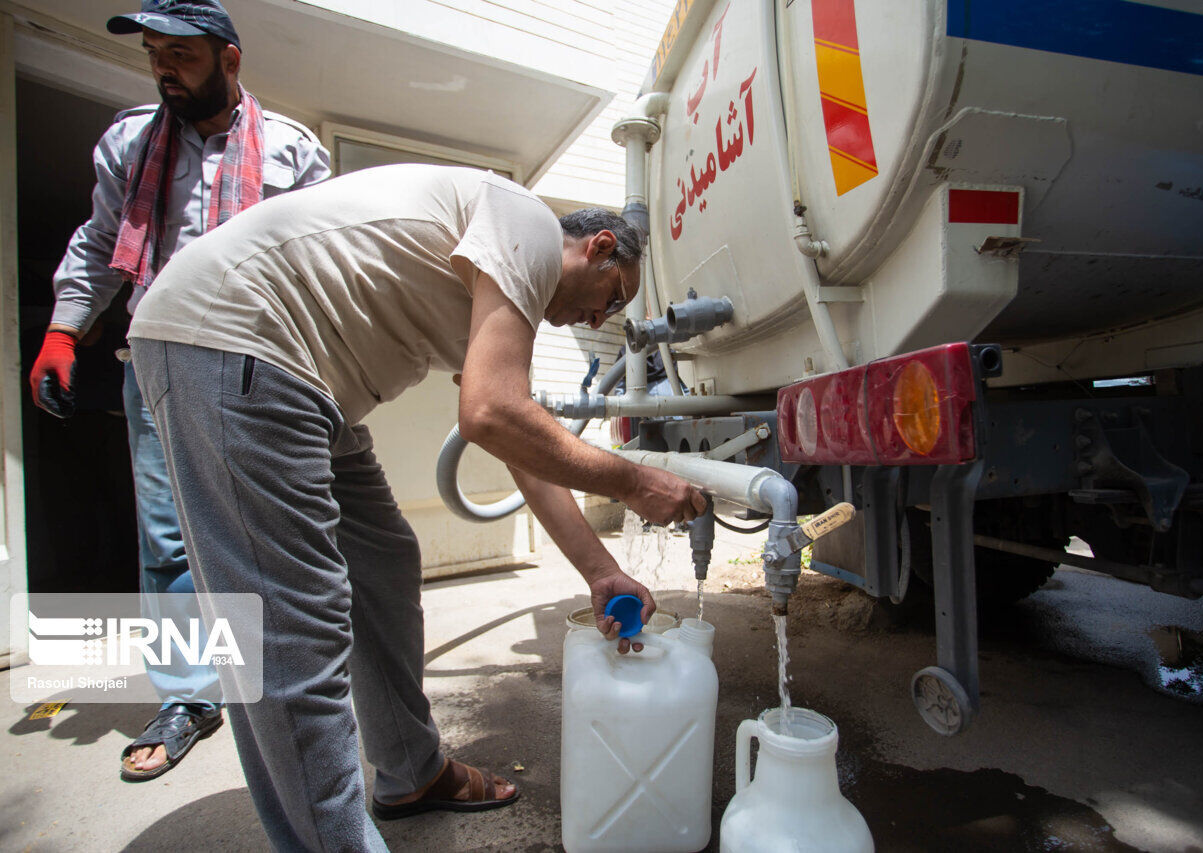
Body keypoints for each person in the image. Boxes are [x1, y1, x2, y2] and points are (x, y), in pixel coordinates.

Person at [127, 163, 706, 851]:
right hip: (235, 337)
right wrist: (633, 482)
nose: (598, 319)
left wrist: (599, 570)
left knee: (382, 559)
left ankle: (408, 770)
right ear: (599, 247)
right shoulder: (522, 222)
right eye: (611, 298)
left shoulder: (496, 282)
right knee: (291, 625)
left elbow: (514, 438)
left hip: (304, 377)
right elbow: (493, 412)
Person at [26, 0, 331, 782]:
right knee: (169, 537)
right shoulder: (130, 141)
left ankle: (285, 680)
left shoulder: (292, 150)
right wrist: (66, 327)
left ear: (229, 59)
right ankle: (190, 695)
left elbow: (321, 259)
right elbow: (101, 238)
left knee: (264, 527)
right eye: (155, 52)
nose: (164, 66)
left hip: (258, 362)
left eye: (182, 54)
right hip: (155, 360)